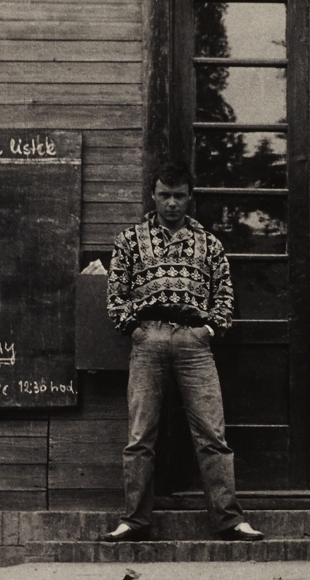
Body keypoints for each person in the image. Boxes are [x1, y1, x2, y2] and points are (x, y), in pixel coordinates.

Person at [99, 161, 263, 543]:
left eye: (179, 195)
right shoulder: (129, 240)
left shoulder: (209, 243)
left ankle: (228, 519)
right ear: (153, 195)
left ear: (190, 198)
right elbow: (114, 295)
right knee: (141, 436)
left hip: (194, 342)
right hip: (149, 339)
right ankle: (134, 520)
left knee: (211, 433)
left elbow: (224, 297)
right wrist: (135, 329)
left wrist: (208, 330)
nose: (171, 203)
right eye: (164, 195)